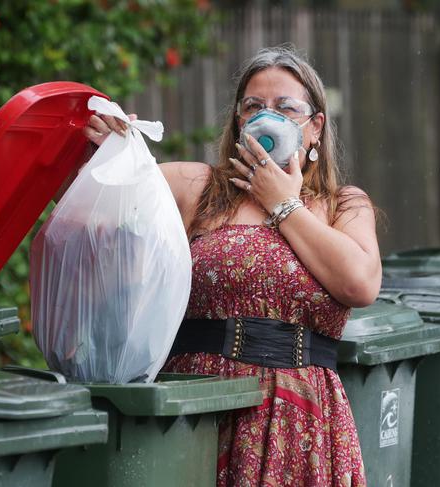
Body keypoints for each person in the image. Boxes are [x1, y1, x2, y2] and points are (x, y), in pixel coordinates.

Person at [84, 45, 380, 487]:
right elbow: (99, 217)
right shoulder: (197, 187)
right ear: (239, 121)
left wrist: (282, 202)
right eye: (253, 106)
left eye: (285, 108)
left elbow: (359, 284)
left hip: (299, 422)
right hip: (197, 407)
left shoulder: (342, 205)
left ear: (314, 127)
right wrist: (110, 153)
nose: (267, 117)